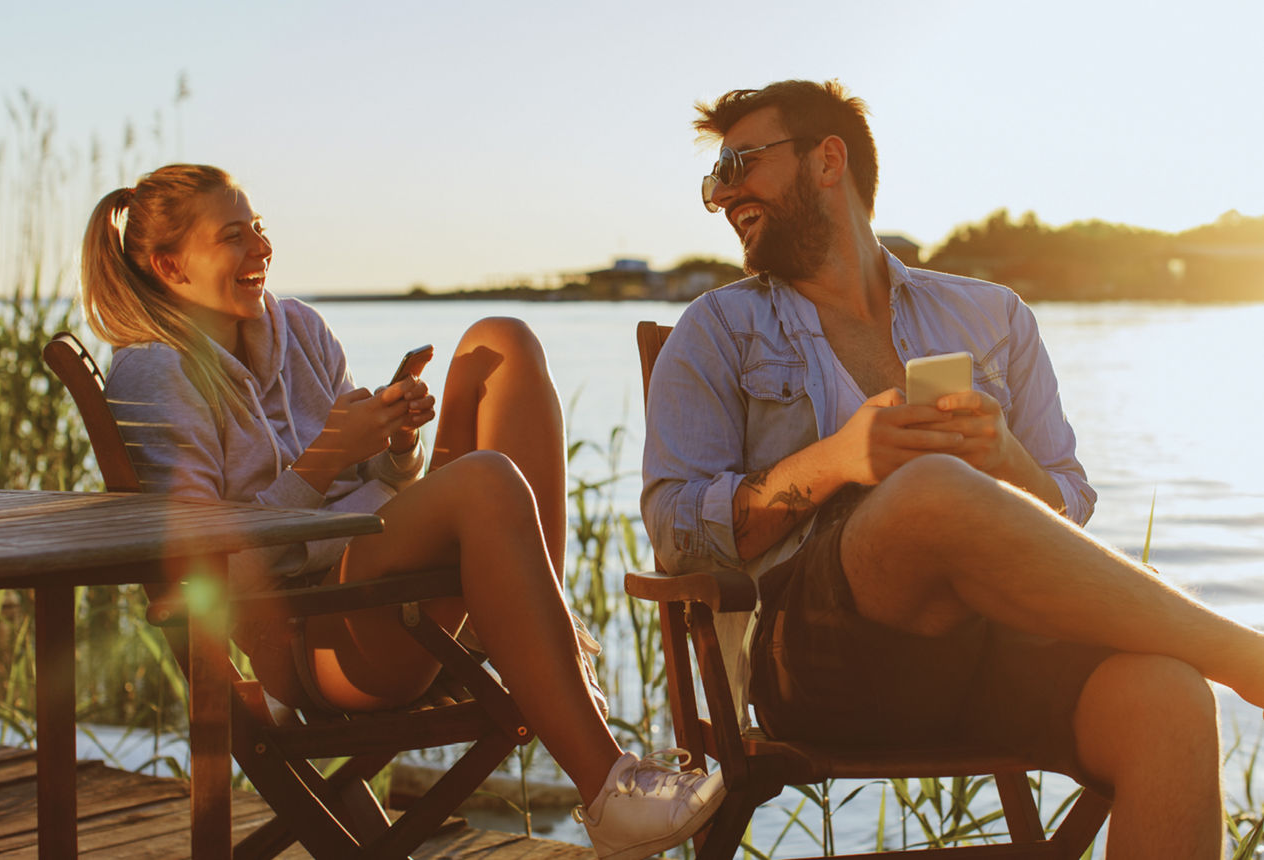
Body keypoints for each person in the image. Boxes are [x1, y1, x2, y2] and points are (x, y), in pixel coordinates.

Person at [642, 79, 1264, 859]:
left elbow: (1062, 520)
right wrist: (839, 461)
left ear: (828, 160)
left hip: (995, 655)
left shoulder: (992, 315)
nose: (720, 193)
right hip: (817, 665)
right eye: (714, 176)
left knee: (1170, 697)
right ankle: (1246, 656)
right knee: (931, 490)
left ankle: (1222, 663)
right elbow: (674, 536)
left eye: (741, 162)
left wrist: (1005, 458)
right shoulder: (720, 329)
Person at [80, 163, 724, 859]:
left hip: (390, 598)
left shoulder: (298, 330)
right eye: (233, 237)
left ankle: (544, 657)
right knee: (484, 482)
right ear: (169, 265)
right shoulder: (153, 375)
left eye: (259, 229)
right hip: (314, 646)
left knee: (501, 343)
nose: (262, 250)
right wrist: (324, 459)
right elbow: (203, 567)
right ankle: (607, 789)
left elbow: (378, 483)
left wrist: (394, 444)